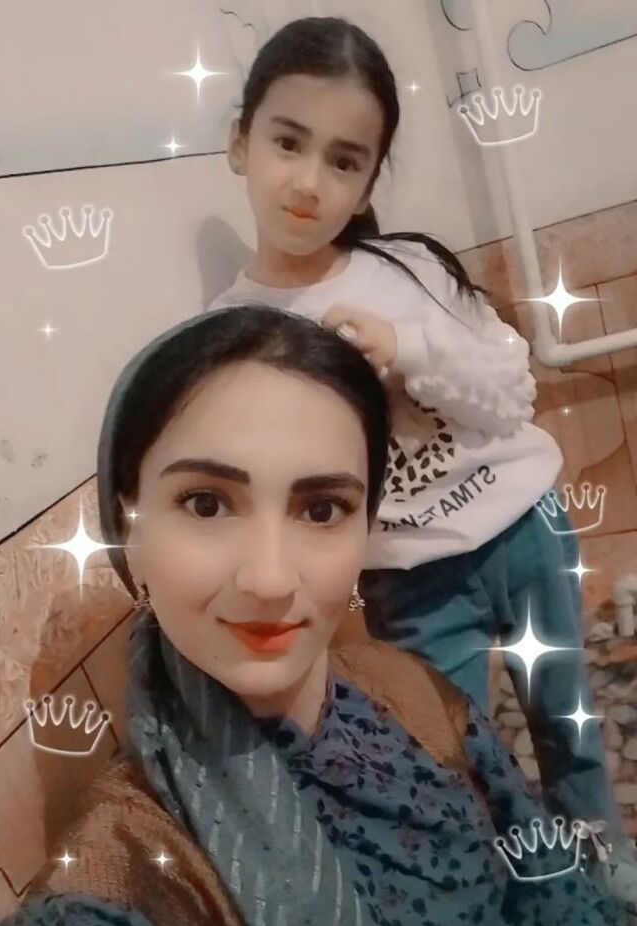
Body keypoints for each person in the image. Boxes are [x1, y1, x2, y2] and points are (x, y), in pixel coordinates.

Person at [0, 306, 637, 926]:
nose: (269, 578)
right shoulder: (119, 885)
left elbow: (552, 897)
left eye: (323, 509)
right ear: (132, 529)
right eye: (206, 502)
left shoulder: (410, 693)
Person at [206, 14, 623, 845]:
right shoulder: (232, 336)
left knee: (566, 720)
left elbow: (510, 394)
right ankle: (506, 881)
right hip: (411, 580)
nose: (309, 182)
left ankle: (603, 859)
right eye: (288, 142)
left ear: (368, 183)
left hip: (527, 533)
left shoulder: (411, 269)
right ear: (239, 143)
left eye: (344, 160)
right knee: (450, 753)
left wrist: (408, 350)